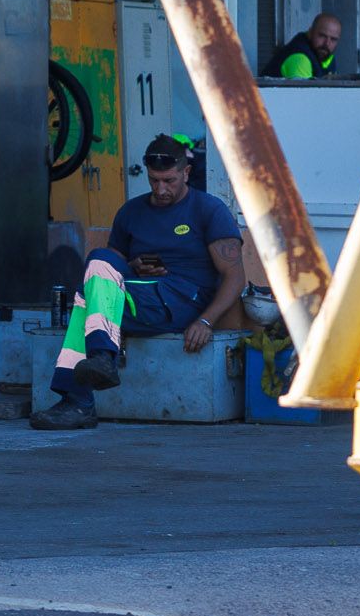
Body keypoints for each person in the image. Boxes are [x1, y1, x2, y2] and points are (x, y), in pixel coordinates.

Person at [33, 132, 246, 432]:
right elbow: (106, 272)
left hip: (181, 302)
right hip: (139, 295)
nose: (161, 189)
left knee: (87, 300)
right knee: (95, 274)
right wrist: (133, 267)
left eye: (169, 181)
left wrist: (207, 322)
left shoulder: (208, 209)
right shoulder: (131, 212)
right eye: (154, 180)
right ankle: (99, 361)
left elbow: (236, 277)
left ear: (186, 173)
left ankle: (79, 398)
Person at [265, 12, 342, 80]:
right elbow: (304, 95)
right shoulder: (300, 58)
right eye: (322, 36)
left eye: (333, 39)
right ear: (310, 32)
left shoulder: (325, 55)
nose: (327, 43)